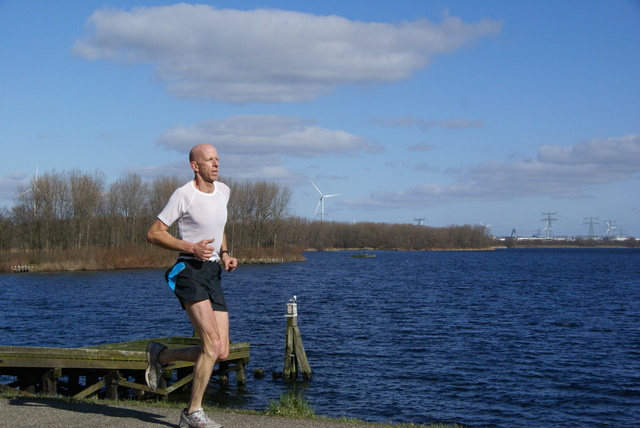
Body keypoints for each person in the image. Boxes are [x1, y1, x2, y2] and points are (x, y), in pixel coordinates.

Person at [146, 144, 238, 428]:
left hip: (212, 272)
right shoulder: (184, 194)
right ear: (195, 166)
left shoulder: (224, 191)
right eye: (210, 160)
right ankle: (192, 413)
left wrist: (224, 253)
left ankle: (162, 356)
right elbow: (153, 233)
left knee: (221, 351)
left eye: (218, 159)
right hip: (188, 269)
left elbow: (219, 225)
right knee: (210, 344)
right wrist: (191, 247)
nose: (216, 164)